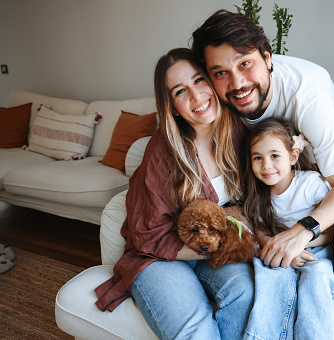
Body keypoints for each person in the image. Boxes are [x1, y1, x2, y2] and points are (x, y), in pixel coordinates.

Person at [94, 48, 254, 340]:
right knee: (195, 331)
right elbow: (148, 235)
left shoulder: (236, 131)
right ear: (171, 105)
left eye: (199, 80)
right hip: (159, 256)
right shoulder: (162, 150)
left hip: (212, 249)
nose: (196, 97)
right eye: (181, 91)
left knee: (245, 292)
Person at [191, 9, 334, 270]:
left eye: (245, 63)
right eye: (220, 73)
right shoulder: (215, 100)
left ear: (268, 59)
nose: (237, 83)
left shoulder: (309, 98)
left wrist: (302, 233)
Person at [244, 117, 334, 339]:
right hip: (281, 252)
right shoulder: (259, 195)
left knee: (316, 278)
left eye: (274, 156)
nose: (266, 165)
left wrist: (298, 246)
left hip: (317, 248)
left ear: (293, 156)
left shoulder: (310, 183)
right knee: (268, 277)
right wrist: (278, 249)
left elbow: (333, 228)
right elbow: (261, 233)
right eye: (258, 158)